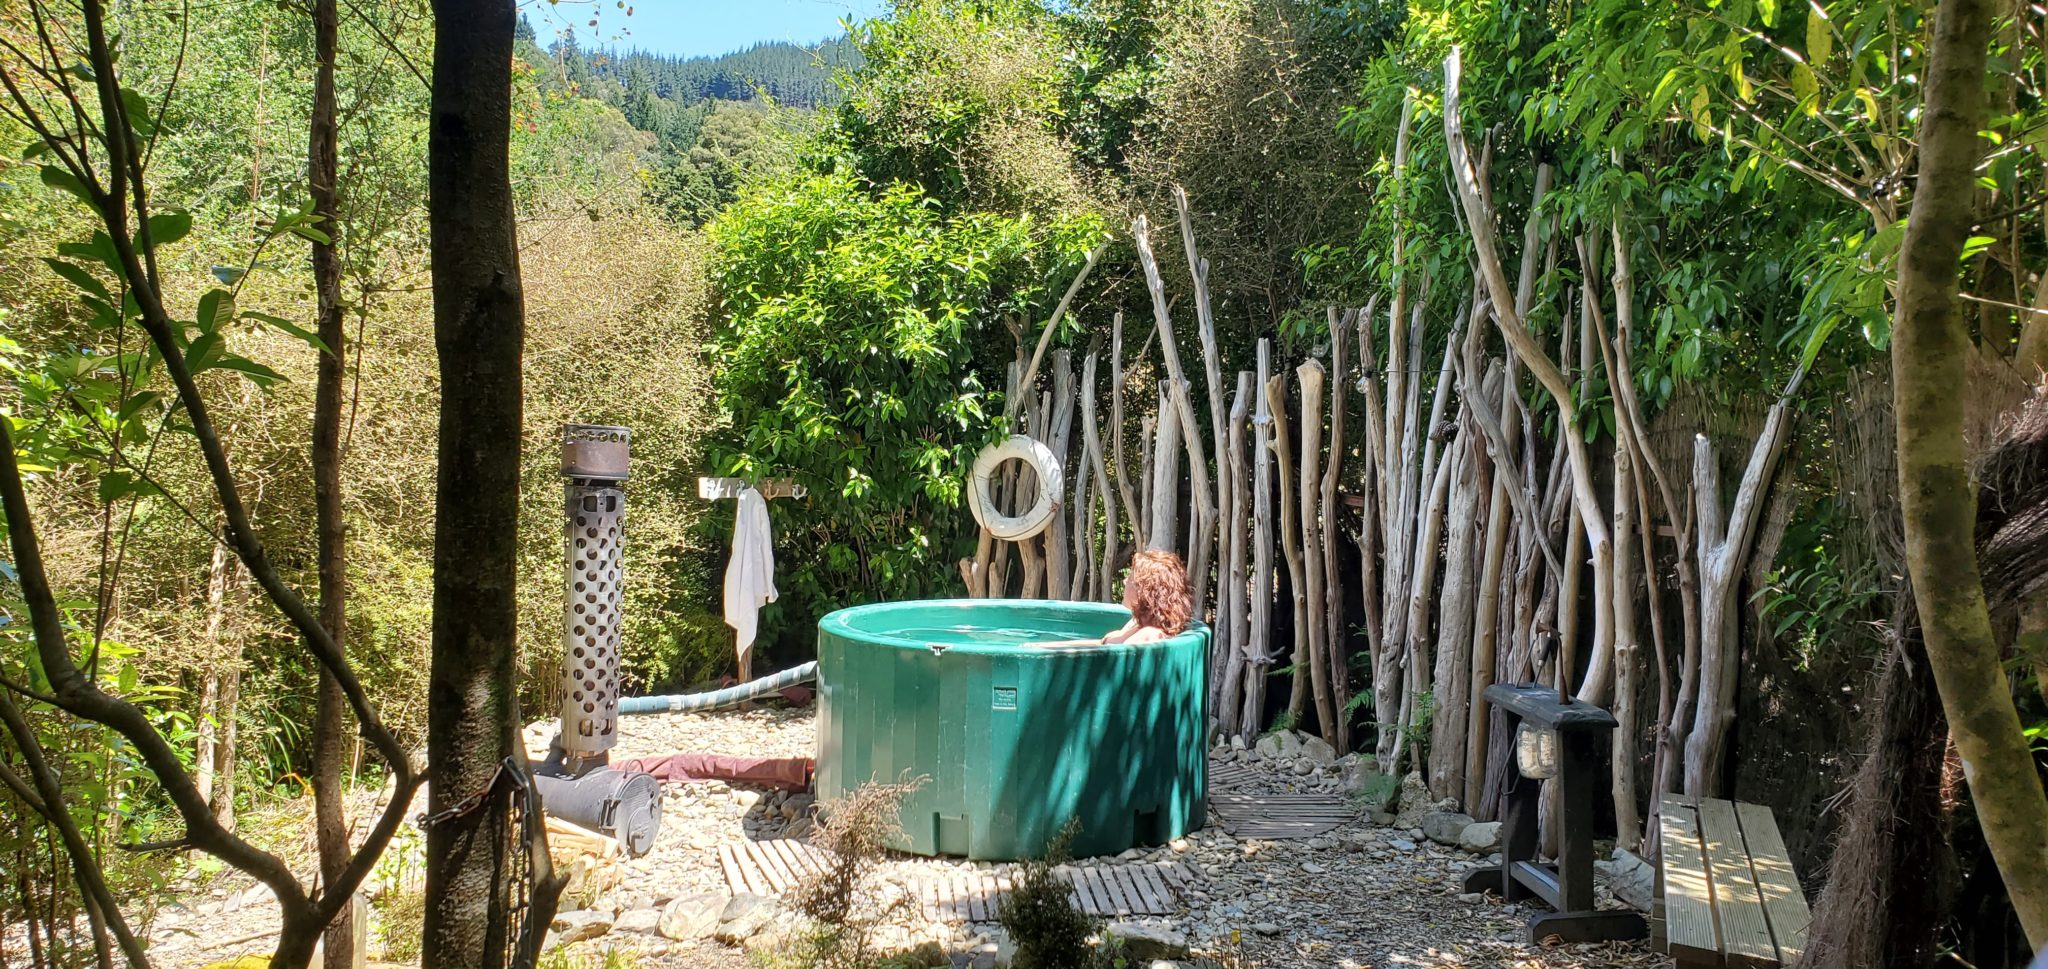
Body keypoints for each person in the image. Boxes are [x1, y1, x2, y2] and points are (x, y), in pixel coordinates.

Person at [1036, 549, 1191, 647]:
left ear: (1144, 591)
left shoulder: (1148, 635)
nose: (1124, 582)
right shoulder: (1137, 624)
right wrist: (1045, 647)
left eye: (1130, 579)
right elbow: (1099, 645)